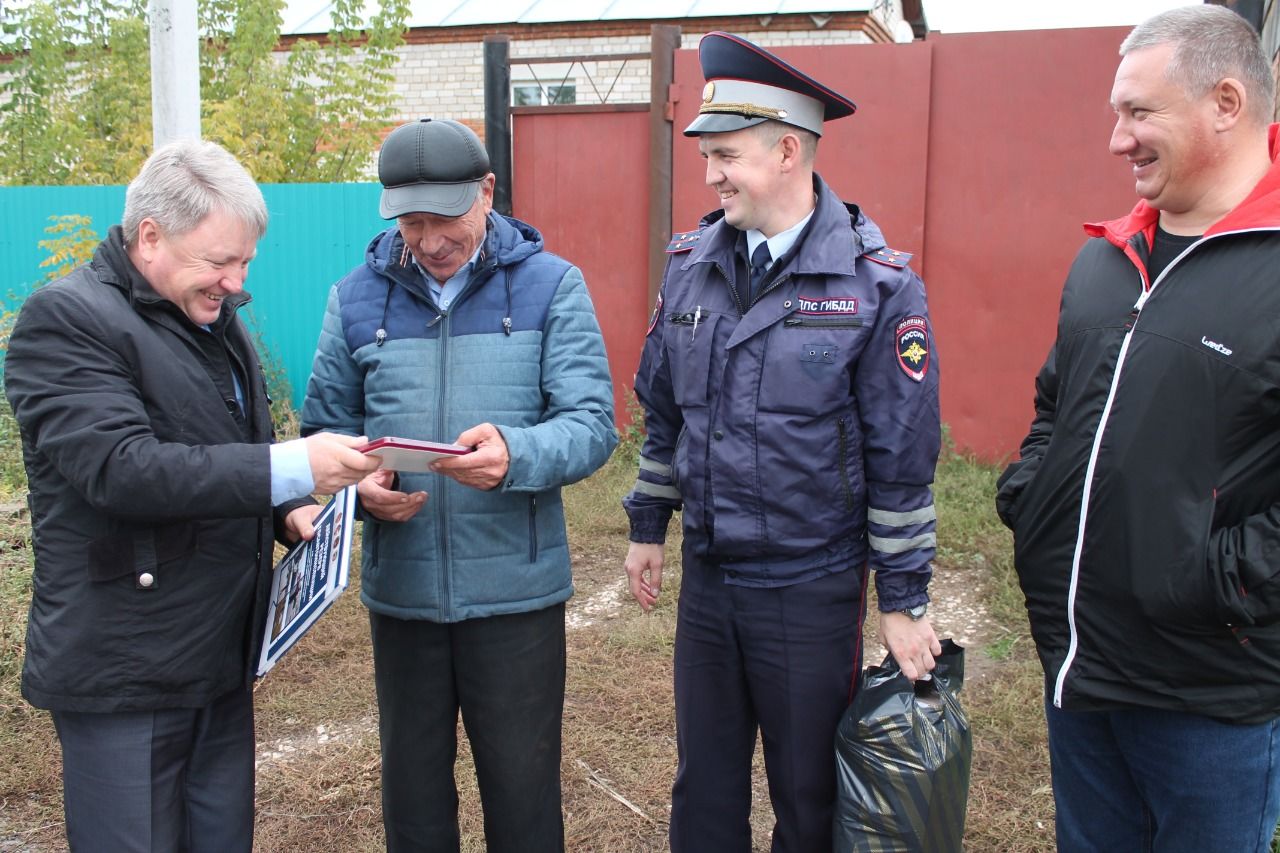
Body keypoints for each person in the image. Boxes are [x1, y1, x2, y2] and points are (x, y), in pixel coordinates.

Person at [2, 139, 380, 853]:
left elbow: (217, 442)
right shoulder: (66, 321)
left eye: (245, 263)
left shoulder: (210, 318)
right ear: (150, 235)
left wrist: (288, 512)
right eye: (220, 262)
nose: (236, 282)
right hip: (127, 672)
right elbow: (122, 469)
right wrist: (291, 467)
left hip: (215, 660)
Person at [621, 32, 943, 852]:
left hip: (812, 587)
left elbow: (901, 459)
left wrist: (902, 602)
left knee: (809, 798)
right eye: (707, 156)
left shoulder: (877, 287)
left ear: (789, 150)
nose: (710, 174)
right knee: (705, 792)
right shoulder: (690, 266)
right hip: (711, 580)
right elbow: (666, 410)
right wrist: (648, 526)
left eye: (725, 155)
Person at [995, 6, 1280, 851]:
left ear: (1225, 103)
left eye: (1138, 111)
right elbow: (1054, 402)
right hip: (1079, 670)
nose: (1117, 139)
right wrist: (1030, 495)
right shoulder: (1102, 260)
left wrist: (1215, 578)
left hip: (1208, 700)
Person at [301, 117, 617, 852]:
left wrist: (518, 453)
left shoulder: (552, 286)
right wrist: (358, 489)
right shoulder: (353, 299)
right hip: (403, 594)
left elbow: (593, 423)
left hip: (516, 592)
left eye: (445, 220)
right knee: (412, 797)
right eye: (412, 223)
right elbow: (326, 428)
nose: (431, 240)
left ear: (487, 191)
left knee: (522, 792)